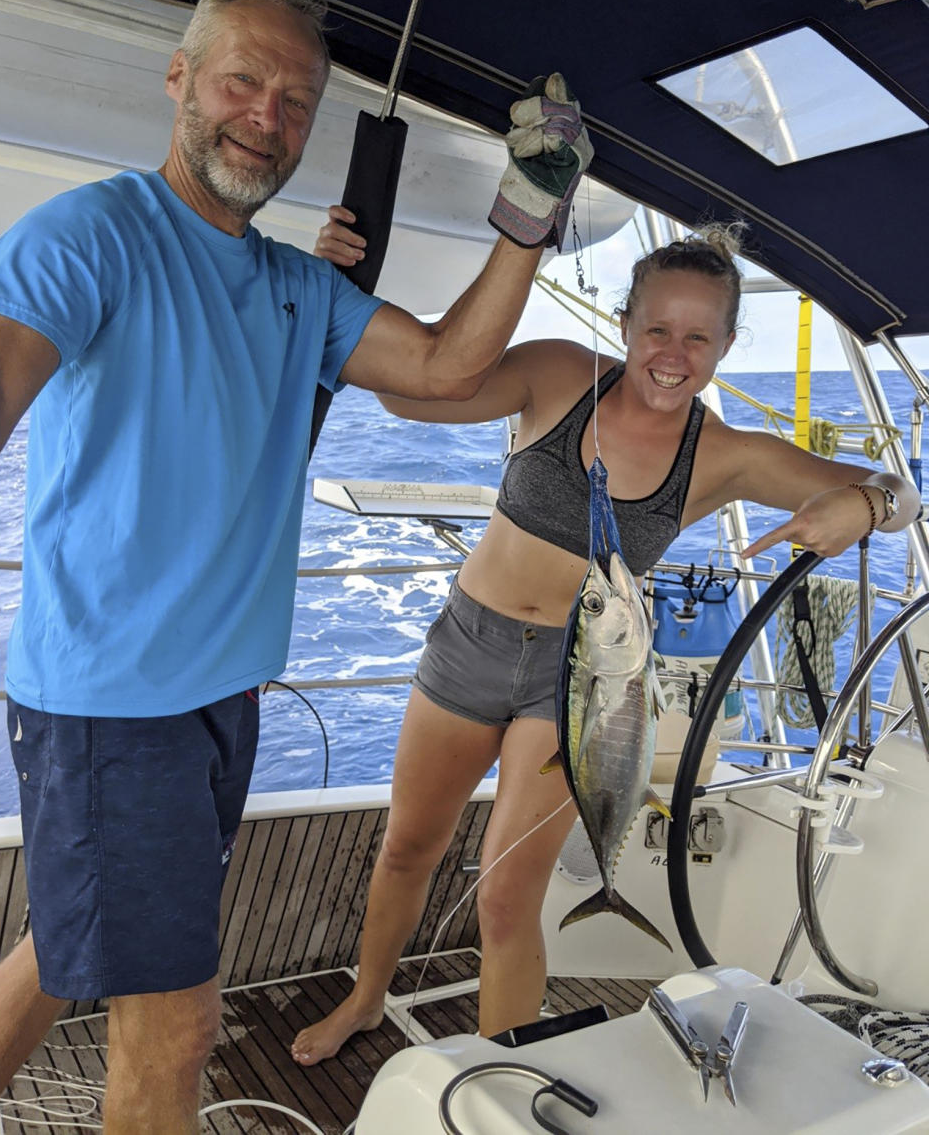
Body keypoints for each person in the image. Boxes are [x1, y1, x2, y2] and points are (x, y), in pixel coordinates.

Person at [0, 0, 593, 1133]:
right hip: (118, 707)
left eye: (296, 100)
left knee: (65, 948)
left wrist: (526, 214)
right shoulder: (93, 232)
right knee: (176, 1029)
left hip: (217, 703)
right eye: (242, 80)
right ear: (181, 80)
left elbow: (453, 367)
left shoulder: (302, 289)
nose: (267, 114)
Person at [290, 217, 920, 1065]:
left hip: (584, 674)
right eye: (657, 327)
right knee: (407, 845)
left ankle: (506, 1074)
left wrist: (867, 506)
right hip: (468, 644)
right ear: (624, 323)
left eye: (699, 335)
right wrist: (346, 300)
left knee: (509, 894)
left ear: (729, 343)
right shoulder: (556, 373)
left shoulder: (725, 454)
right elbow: (410, 392)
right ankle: (365, 998)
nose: (673, 351)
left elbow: (901, 491)